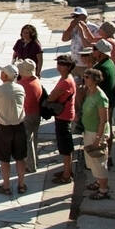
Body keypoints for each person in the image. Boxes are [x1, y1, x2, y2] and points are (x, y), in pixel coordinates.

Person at [0, 64, 28, 194]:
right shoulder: (20, 88)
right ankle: (21, 185)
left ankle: (6, 186)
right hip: (19, 127)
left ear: (5, 75)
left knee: (5, 159)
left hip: (4, 129)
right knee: (20, 158)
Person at [79, 68, 110, 199]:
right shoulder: (89, 92)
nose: (84, 78)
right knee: (91, 160)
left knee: (99, 161)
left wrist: (98, 138)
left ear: (95, 80)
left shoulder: (101, 97)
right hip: (88, 130)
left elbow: (104, 120)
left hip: (97, 133)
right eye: (84, 76)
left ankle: (103, 189)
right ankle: (98, 182)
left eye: (87, 77)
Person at [48, 54, 78, 183]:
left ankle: (66, 175)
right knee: (65, 145)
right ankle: (67, 169)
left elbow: (52, 97)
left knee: (65, 147)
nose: (58, 66)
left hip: (63, 116)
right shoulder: (67, 78)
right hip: (65, 115)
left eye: (61, 64)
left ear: (68, 67)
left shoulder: (65, 82)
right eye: (58, 63)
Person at [17, 58, 43, 172]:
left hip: (27, 116)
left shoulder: (23, 84)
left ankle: (31, 165)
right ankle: (35, 160)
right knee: (34, 139)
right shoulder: (36, 80)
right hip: (36, 114)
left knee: (27, 141)